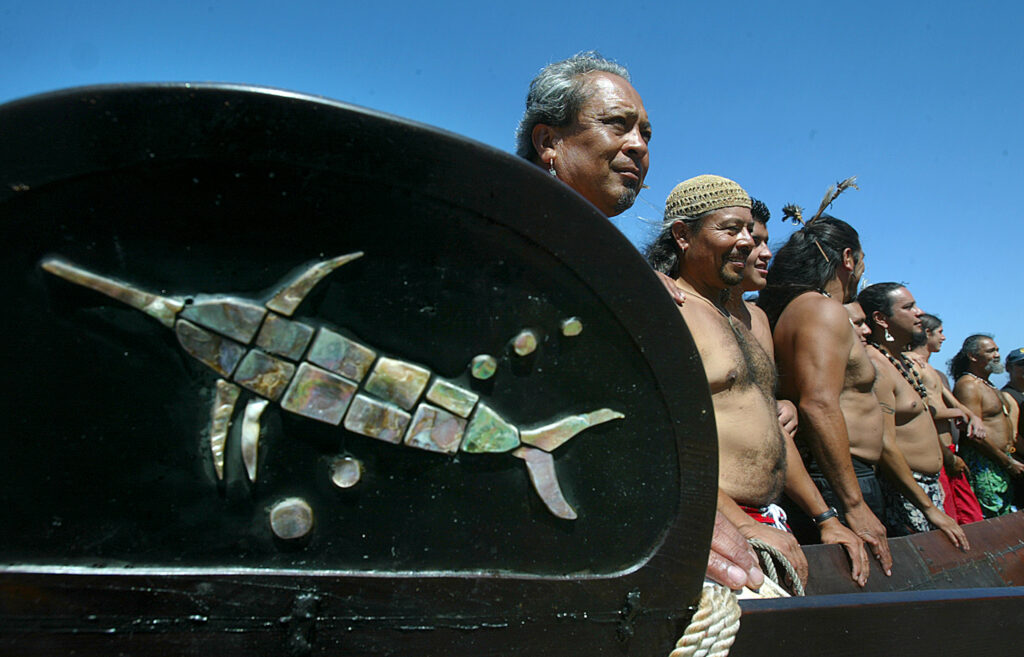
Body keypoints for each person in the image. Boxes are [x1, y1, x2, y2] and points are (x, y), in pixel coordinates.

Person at [518, 53, 763, 592]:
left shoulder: (611, 269)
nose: (639, 146)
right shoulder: (514, 245)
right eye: (616, 124)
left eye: (646, 133)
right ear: (548, 142)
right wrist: (664, 518)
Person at [646, 174, 868, 589]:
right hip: (716, 533)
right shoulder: (669, 310)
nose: (747, 242)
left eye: (748, 229)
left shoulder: (739, 321)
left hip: (770, 520)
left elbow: (772, 428)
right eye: (731, 229)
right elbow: (658, 440)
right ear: (682, 235)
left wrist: (826, 518)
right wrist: (741, 528)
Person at [725, 197, 868, 585]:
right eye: (751, 241)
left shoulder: (758, 319)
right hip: (724, 518)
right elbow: (684, 435)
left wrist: (827, 517)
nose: (764, 252)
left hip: (776, 507)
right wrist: (738, 522)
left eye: (763, 240)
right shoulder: (684, 309)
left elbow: (762, 414)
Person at [757, 201, 893, 576]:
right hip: (838, 480)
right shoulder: (821, 310)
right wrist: (852, 505)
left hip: (835, 478)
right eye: (863, 261)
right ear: (848, 258)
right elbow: (818, 403)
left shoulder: (796, 309)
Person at [857, 283, 967, 549]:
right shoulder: (875, 365)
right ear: (881, 319)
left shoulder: (903, 362)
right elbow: (884, 443)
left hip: (930, 487)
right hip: (908, 494)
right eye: (908, 307)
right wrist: (928, 508)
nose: (919, 313)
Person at [905, 314, 984, 524]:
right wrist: (959, 414)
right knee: (948, 513)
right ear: (927, 333)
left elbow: (954, 404)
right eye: (940, 332)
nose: (944, 338)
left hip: (950, 450)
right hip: (935, 451)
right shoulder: (912, 365)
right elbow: (923, 412)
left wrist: (971, 416)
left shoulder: (930, 368)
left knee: (970, 515)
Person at [950, 335, 1023, 517]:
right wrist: (1007, 462)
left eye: (997, 350)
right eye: (991, 351)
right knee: (994, 519)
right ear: (973, 357)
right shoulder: (968, 386)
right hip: (985, 465)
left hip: (1000, 462)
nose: (997, 355)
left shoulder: (987, 385)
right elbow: (972, 433)